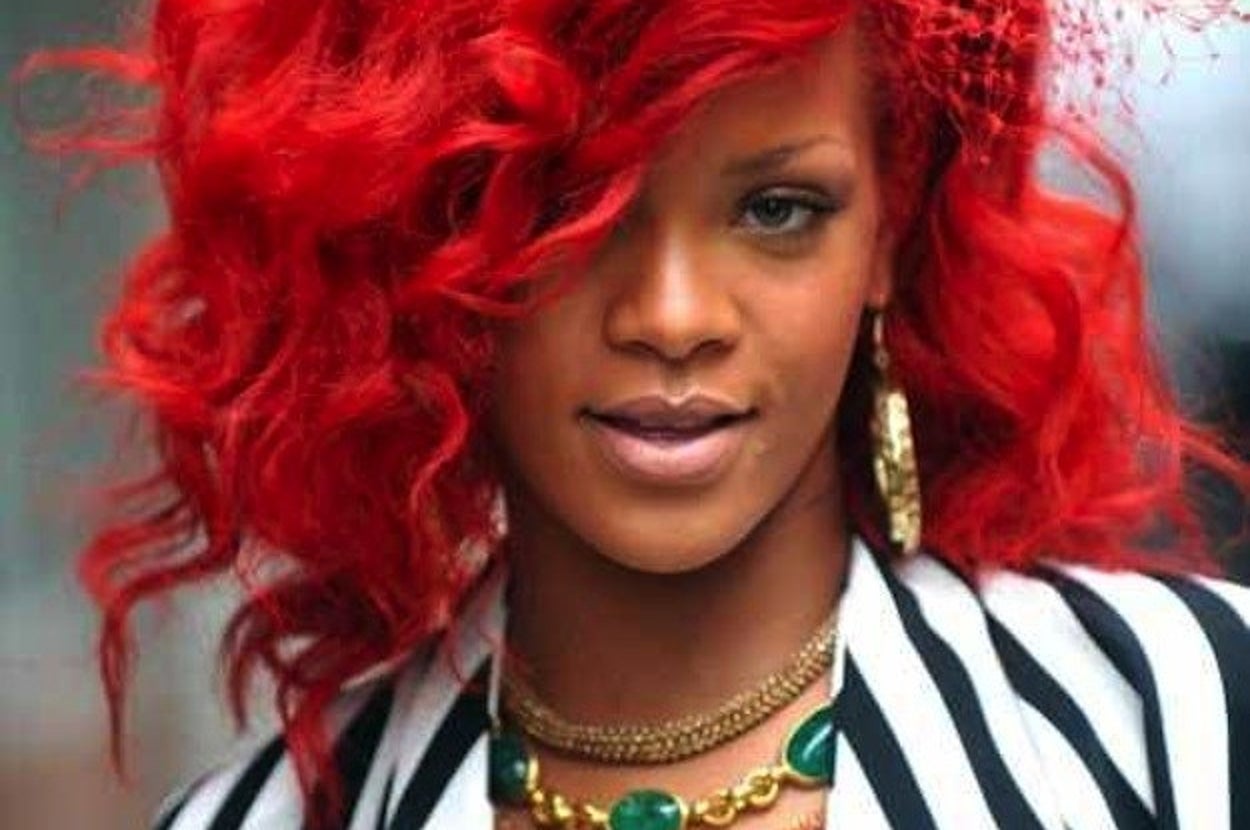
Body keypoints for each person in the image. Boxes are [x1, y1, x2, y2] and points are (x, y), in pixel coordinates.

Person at [31, 0, 1250, 827]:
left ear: (886, 232)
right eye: (571, 206)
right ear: (424, 234)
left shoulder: (1185, 718)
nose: (673, 315)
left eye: (775, 209)